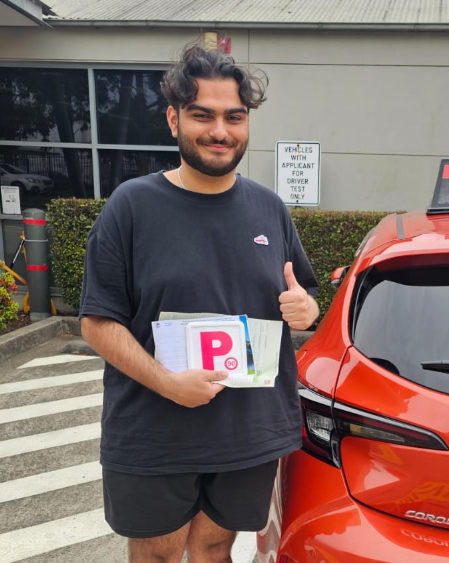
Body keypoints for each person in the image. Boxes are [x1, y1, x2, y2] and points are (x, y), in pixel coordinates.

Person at [80, 43, 319, 563]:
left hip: (248, 430)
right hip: (154, 430)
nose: (219, 131)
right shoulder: (132, 206)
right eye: (201, 115)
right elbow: (97, 322)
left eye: (234, 116)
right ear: (173, 119)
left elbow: (303, 294)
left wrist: (307, 311)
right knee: (159, 554)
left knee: (216, 548)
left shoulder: (269, 208)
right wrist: (169, 384)